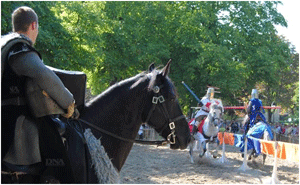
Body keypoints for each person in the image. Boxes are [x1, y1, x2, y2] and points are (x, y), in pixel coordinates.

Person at [1, 6, 77, 183]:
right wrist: (68, 102)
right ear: (34, 25)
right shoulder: (19, 48)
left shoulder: (3, 44)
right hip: (12, 121)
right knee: (56, 140)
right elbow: (44, 75)